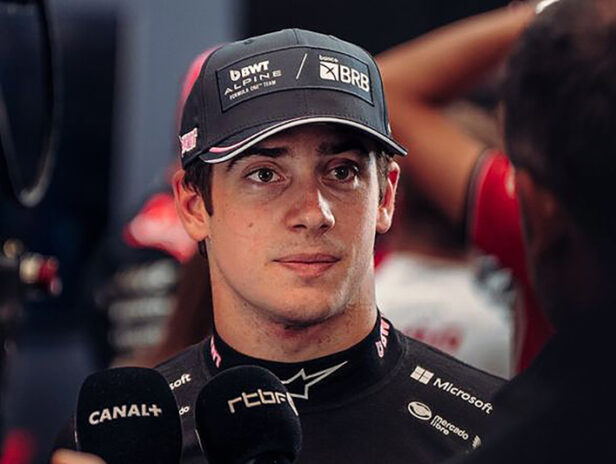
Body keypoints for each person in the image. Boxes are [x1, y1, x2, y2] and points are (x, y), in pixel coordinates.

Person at [53, 29, 504, 463]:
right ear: (193, 206)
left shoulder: (496, 432)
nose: (313, 212)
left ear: (385, 197)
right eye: (265, 174)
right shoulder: (111, 446)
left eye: (342, 171)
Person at [380, 0, 616, 461]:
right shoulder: (550, 204)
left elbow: (382, 90)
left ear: (541, 212)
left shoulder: (540, 210)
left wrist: (557, 19)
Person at [375, 3, 553, 373]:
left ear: (393, 194)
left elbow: (379, 91)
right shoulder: (496, 324)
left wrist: (551, 14)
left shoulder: (542, 220)